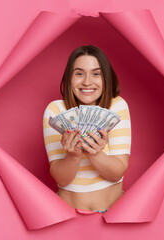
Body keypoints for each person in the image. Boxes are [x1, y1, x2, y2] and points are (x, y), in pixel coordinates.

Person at [42, 45, 131, 213]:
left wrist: (94, 153)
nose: (87, 82)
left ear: (106, 78)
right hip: (68, 215)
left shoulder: (117, 106)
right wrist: (73, 155)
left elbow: (116, 173)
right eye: (79, 73)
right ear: (69, 78)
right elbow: (62, 179)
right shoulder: (55, 111)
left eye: (96, 74)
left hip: (113, 214)